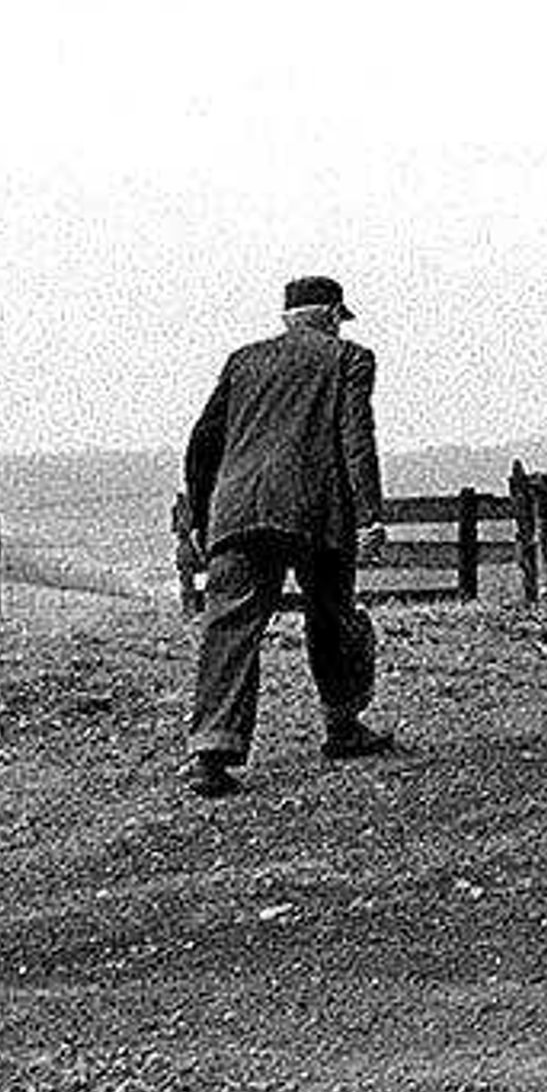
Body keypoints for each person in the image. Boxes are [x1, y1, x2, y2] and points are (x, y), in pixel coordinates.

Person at [176, 274, 397, 796]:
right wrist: (369, 515)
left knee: (228, 627)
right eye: (339, 322)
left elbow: (202, 442)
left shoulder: (243, 360)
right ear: (332, 315)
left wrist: (205, 519)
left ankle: (211, 753)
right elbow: (355, 436)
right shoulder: (349, 359)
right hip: (315, 507)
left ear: (288, 319)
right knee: (333, 615)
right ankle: (342, 725)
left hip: (237, 508)